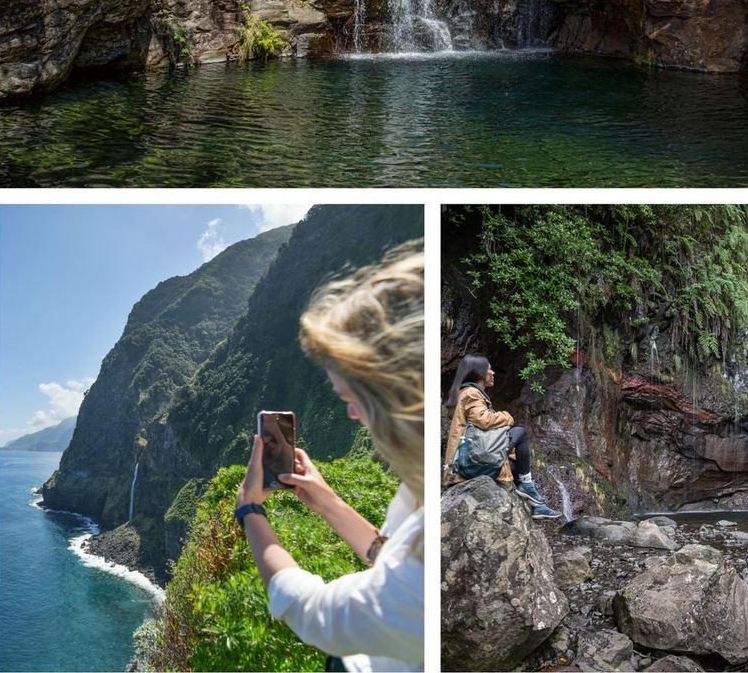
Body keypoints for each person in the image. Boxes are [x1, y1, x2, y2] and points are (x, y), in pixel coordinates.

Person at [235, 243, 424, 672]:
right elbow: (391, 555)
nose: (353, 415)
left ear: (393, 395)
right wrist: (325, 501)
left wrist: (250, 509)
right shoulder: (421, 486)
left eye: (350, 398)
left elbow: (314, 612)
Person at [443, 354, 561, 519]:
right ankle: (528, 487)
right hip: (468, 464)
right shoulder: (471, 393)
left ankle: (535, 504)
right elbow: (484, 420)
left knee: (515, 462)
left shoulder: (465, 394)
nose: (493, 373)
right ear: (478, 373)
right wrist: (507, 416)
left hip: (466, 463)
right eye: (489, 369)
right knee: (519, 432)